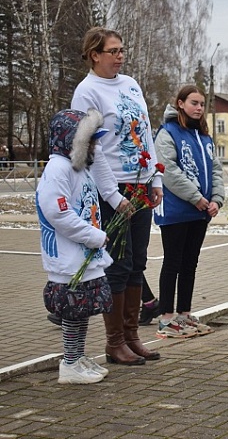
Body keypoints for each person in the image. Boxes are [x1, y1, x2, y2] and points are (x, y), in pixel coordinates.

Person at [71, 26, 162, 365]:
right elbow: (89, 148)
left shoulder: (131, 84)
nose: (121, 56)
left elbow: (146, 132)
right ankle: (114, 342)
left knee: (139, 261)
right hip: (113, 190)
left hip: (140, 185)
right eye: (114, 51)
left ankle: (133, 335)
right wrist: (112, 195)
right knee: (118, 265)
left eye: (122, 50)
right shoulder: (87, 92)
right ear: (95, 54)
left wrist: (154, 179)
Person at [37, 109, 114, 384]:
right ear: (73, 140)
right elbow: (58, 213)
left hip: (83, 253)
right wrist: (93, 236)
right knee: (73, 309)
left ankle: (77, 356)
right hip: (69, 257)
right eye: (90, 140)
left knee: (82, 310)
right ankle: (69, 362)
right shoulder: (58, 169)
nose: (95, 145)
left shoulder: (78, 167)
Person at [153, 85, 224, 338]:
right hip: (176, 210)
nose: (199, 108)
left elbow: (215, 169)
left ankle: (184, 314)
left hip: (201, 211)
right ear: (180, 104)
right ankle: (166, 318)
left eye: (202, 104)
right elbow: (168, 170)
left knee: (190, 263)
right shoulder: (168, 133)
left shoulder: (203, 136)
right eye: (194, 103)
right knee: (172, 262)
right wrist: (196, 198)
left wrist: (216, 199)